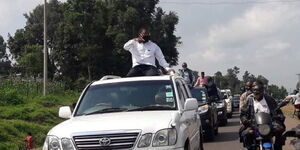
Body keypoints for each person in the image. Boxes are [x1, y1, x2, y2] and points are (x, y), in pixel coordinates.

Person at [240, 80, 286, 150]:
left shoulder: (269, 99)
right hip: (254, 125)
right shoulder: (249, 101)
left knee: (280, 130)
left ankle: (278, 147)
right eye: (254, 90)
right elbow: (243, 113)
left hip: (270, 124)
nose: (256, 92)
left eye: (258, 90)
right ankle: (250, 148)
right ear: (252, 91)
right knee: (246, 133)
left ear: (262, 90)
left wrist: (279, 117)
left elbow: (277, 111)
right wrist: (245, 120)